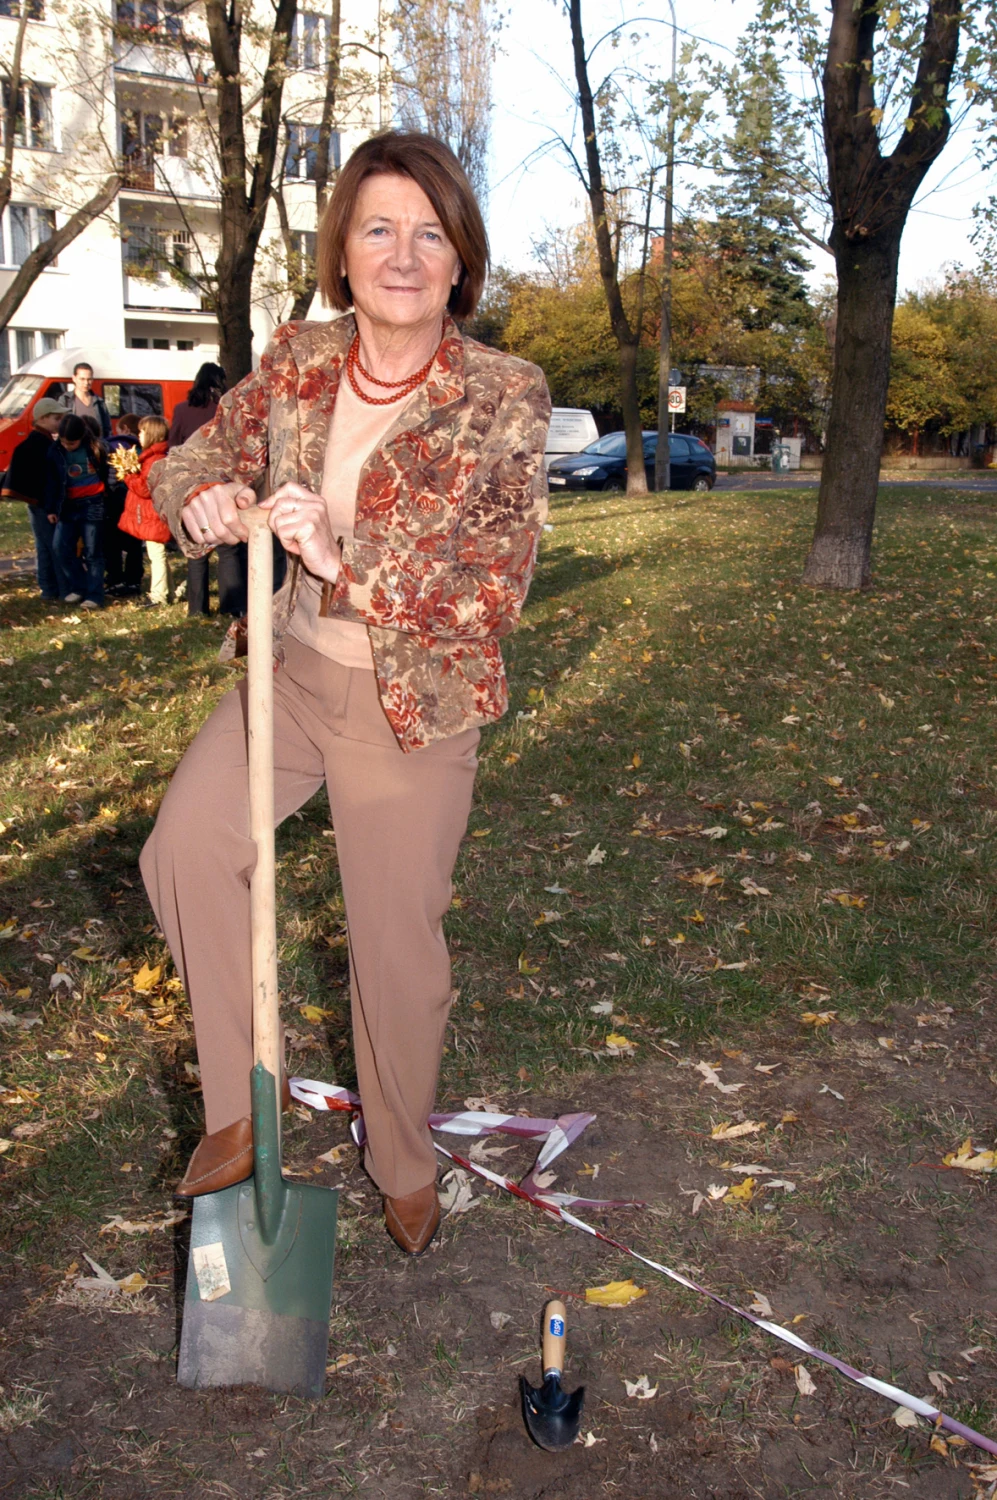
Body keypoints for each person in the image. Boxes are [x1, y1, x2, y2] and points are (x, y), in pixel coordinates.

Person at [142, 131, 550, 1256]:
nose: (403, 254)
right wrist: (209, 502)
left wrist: (341, 557)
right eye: (379, 227)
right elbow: (189, 458)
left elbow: (493, 588)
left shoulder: (503, 393)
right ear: (344, 249)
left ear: (459, 261)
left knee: (394, 954)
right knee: (182, 849)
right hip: (288, 677)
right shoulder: (299, 358)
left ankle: (403, 1161)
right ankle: (241, 1102)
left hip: (409, 707)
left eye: (429, 233)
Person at [169, 362, 248, 618]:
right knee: (228, 548)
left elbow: (173, 447)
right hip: (223, 482)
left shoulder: (182, 410)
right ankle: (231, 606)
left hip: (193, 485)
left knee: (197, 546)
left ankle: (197, 608)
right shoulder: (225, 410)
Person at [1, 396, 68, 600]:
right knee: (54, 546)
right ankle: (59, 588)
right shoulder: (41, 444)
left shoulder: (40, 441)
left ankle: (48, 589)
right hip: (44, 504)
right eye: (56, 418)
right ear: (44, 418)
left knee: (44, 547)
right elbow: (46, 479)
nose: (59, 423)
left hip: (37, 502)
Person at [46, 412, 109, 610]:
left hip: (93, 503)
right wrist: (51, 508)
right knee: (60, 547)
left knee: (93, 551)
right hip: (67, 506)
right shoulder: (55, 451)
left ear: (82, 437)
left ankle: (95, 595)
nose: (67, 446)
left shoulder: (96, 449)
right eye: (64, 442)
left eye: (71, 443)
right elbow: (51, 482)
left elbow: (106, 473)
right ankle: (80, 585)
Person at [119, 416, 173, 605]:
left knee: (156, 554)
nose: (139, 435)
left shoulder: (154, 460)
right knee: (158, 553)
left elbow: (144, 488)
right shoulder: (152, 456)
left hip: (152, 514)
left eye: (142, 431)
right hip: (152, 514)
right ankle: (167, 592)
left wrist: (128, 475)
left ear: (151, 434)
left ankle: (159, 595)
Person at [105, 413, 145, 596]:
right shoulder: (139, 449)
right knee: (134, 543)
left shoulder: (117, 447)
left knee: (112, 542)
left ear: (125, 429)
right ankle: (133, 580)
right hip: (134, 500)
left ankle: (115, 579)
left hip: (115, 499)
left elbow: (118, 478)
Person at [70, 362, 112, 441]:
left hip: (96, 448)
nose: (86, 383)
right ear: (74, 378)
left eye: (89, 379)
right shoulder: (66, 400)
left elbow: (107, 429)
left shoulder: (99, 402)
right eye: (82, 379)